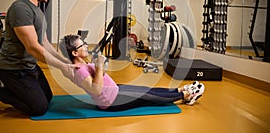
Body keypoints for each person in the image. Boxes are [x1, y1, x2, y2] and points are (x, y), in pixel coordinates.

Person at [60, 34, 205, 111]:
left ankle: (179, 89)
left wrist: (100, 67)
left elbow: (101, 77)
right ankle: (186, 95)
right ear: (74, 52)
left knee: (148, 90)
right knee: (149, 97)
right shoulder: (79, 71)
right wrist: (98, 67)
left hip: (114, 90)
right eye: (82, 45)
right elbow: (96, 90)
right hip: (112, 101)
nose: (86, 46)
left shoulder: (82, 63)